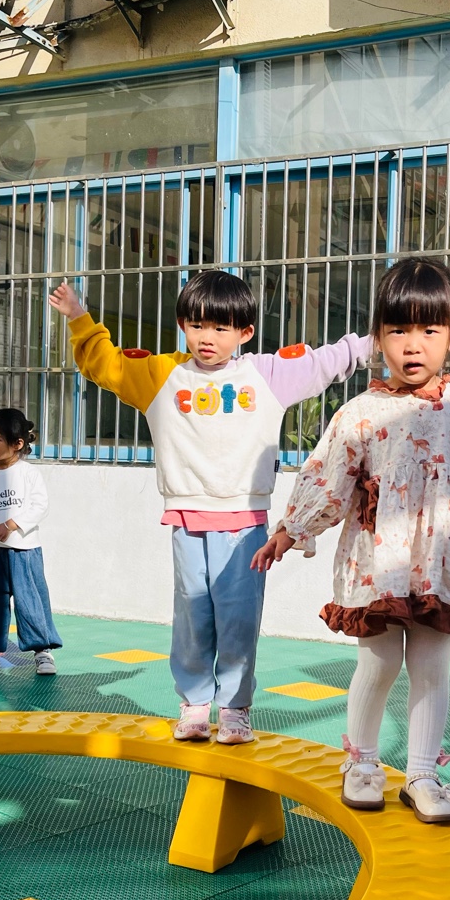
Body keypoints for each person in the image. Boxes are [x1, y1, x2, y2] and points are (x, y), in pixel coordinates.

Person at [252, 258, 450, 823]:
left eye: (428, 329)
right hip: (374, 562)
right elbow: (327, 477)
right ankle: (362, 762)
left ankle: (422, 773)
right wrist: (291, 529)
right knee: (378, 663)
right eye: (398, 329)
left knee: (431, 666)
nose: (412, 344)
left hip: (437, 561)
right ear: (378, 338)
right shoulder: (359, 413)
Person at [49, 271, 371, 745]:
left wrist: (379, 340)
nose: (207, 337)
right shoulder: (160, 375)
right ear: (182, 324)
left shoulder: (265, 375)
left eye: (221, 328)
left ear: (245, 332)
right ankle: (195, 704)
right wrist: (80, 318)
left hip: (246, 524)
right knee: (193, 615)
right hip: (186, 521)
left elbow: (327, 361)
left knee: (238, 619)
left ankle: (235, 709)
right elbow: (106, 364)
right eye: (197, 325)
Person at [0, 408, 61, 676]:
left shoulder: (29, 473)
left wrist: (12, 524)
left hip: (25, 552)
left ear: (17, 444)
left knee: (32, 602)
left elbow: (40, 506)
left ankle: (42, 651)